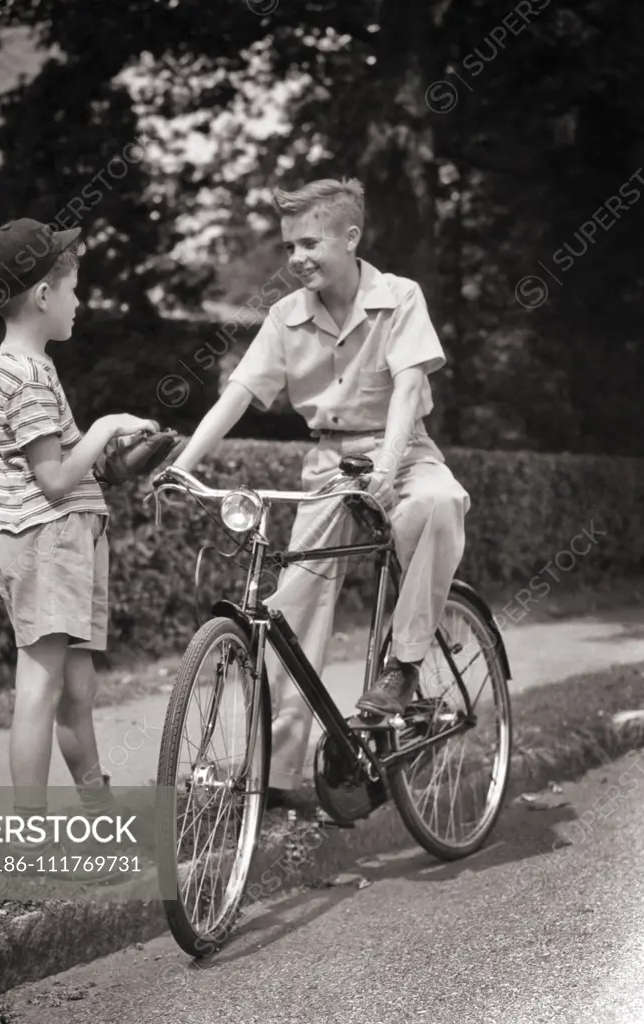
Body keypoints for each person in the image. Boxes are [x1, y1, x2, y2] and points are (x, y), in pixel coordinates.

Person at [170, 178, 470, 806]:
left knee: (437, 504)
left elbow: (410, 391)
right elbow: (240, 395)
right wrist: (179, 466)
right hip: (329, 467)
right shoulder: (287, 316)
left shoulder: (400, 298)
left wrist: (387, 467)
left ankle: (405, 664)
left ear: (350, 237)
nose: (297, 257)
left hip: (404, 450)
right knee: (294, 604)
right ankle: (276, 777)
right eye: (290, 246)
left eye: (309, 242)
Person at [0, 218, 158, 871]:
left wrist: (112, 455)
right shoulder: (23, 374)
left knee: (75, 688)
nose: (81, 302)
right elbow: (52, 482)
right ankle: (29, 836)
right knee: (42, 684)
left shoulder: (33, 368)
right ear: (44, 296)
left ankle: (99, 819)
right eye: (75, 289)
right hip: (43, 543)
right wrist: (107, 425)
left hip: (63, 544)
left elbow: (64, 466)